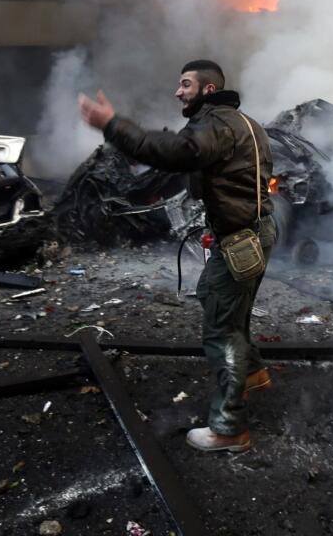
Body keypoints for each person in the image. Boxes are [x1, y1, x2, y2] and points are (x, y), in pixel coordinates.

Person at [78, 59, 276, 453]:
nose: (177, 91)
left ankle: (229, 428)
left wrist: (113, 125)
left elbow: (179, 151)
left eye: (185, 84)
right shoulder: (244, 123)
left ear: (207, 89)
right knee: (226, 306)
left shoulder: (216, 124)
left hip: (241, 239)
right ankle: (251, 373)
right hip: (254, 234)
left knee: (221, 329)